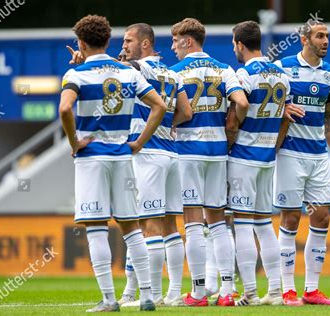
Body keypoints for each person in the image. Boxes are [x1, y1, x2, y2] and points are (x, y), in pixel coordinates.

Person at [59, 15, 166, 312]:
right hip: (122, 155)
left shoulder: (76, 75)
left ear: (81, 43)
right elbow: (159, 106)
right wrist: (139, 142)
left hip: (92, 158)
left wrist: (73, 142)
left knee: (96, 228)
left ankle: (109, 300)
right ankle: (146, 296)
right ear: (108, 40)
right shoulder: (128, 73)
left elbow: (65, 108)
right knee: (132, 228)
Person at [170, 17, 249, 306]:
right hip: (217, 150)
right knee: (218, 223)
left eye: (175, 41)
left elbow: (181, 112)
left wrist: (173, 123)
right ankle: (228, 291)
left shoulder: (174, 72)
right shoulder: (224, 69)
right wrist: (230, 129)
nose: (173, 47)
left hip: (188, 151)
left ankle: (199, 291)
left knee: (192, 223)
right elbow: (241, 103)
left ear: (187, 41)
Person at [117, 23, 192, 307]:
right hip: (172, 154)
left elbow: (114, 66)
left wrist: (88, 59)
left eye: (128, 41)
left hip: (147, 154)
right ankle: (173, 292)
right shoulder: (173, 73)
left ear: (145, 44)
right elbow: (186, 112)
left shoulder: (139, 68)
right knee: (170, 224)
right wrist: (164, 126)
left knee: (145, 226)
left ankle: (151, 294)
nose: (124, 46)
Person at [273, 19, 330, 306]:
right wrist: (282, 105)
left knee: (322, 217)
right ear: (305, 40)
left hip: (318, 156)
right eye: (319, 35)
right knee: (290, 219)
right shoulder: (283, 67)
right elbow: (263, 102)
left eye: (327, 35)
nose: (325, 40)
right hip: (290, 154)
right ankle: (288, 290)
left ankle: (312, 290)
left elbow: (328, 117)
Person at [227, 21, 292, 306]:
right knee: (265, 225)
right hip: (267, 158)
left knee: (242, 225)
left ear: (240, 44)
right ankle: (275, 290)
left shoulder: (244, 73)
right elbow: (286, 119)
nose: (234, 50)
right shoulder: (282, 74)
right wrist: (273, 148)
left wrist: (230, 138)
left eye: (234, 45)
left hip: (244, 156)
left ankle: (251, 292)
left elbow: (237, 109)